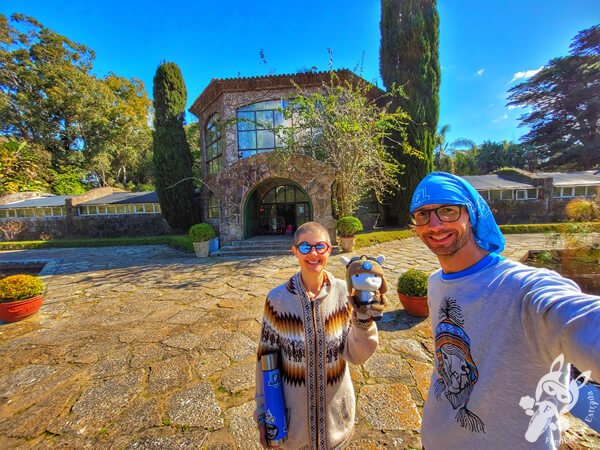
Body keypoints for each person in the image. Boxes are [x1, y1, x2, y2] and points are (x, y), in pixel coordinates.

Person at [409, 172, 600, 449]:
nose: (435, 224)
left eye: (448, 210)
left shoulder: (524, 289)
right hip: (436, 440)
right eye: (423, 214)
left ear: (471, 213)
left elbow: (578, 318)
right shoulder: (436, 283)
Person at [254, 221, 378, 449]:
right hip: (293, 430)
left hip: (336, 427)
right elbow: (266, 360)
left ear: (329, 250)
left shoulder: (344, 294)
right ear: (294, 252)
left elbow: (357, 356)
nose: (313, 253)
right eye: (305, 247)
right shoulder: (277, 300)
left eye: (320, 247)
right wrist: (263, 415)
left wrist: (364, 322)